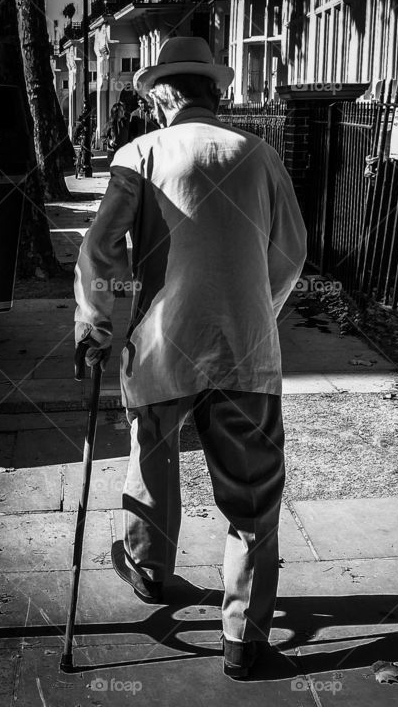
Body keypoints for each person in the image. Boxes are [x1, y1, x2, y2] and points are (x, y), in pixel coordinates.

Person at [73, 36, 307, 679]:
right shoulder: (260, 155)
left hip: (159, 345)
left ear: (164, 97)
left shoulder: (138, 155)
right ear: (215, 93)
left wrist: (96, 322)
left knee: (152, 455)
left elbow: (100, 251)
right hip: (245, 353)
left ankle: (149, 567)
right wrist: (256, 308)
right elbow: (291, 251)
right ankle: (245, 640)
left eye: (152, 101)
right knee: (252, 499)